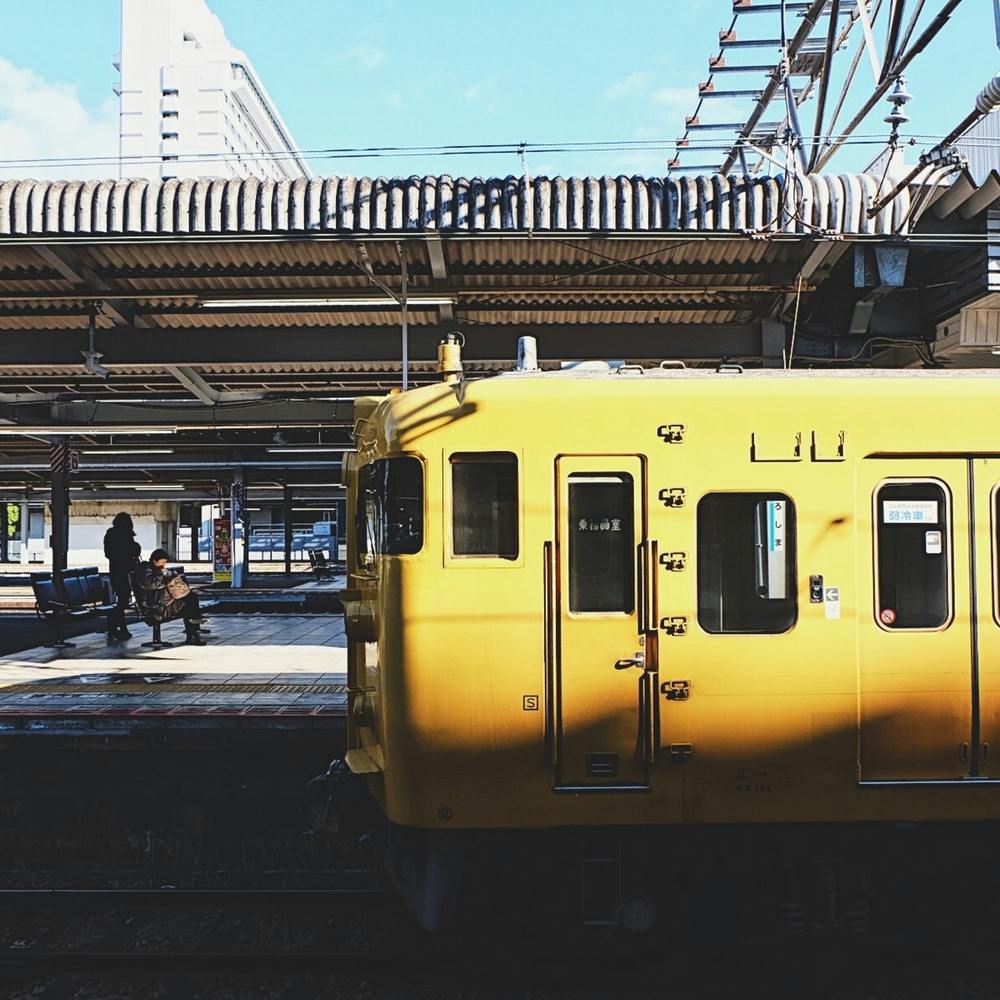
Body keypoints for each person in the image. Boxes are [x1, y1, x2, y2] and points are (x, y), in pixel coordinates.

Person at [136, 549, 208, 646]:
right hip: (154, 606)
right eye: (162, 562)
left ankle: (193, 633)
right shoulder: (145, 570)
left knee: (191, 599)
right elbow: (151, 585)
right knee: (190, 602)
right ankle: (193, 633)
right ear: (154, 560)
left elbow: (160, 583)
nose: (164, 565)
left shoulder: (153, 569)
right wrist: (161, 574)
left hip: (161, 601)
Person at [103, 511, 141, 644]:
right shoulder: (125, 535)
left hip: (116, 571)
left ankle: (116, 627)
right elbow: (132, 551)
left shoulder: (111, 534)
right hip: (125, 572)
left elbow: (108, 553)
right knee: (122, 601)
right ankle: (116, 627)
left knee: (122, 601)